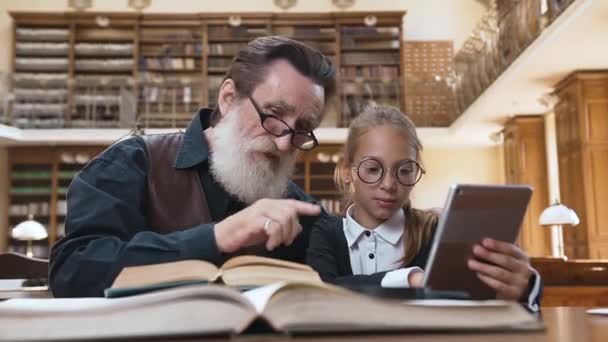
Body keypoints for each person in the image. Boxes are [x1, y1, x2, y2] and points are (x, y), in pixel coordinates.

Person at [49, 36, 337, 297]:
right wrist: (216, 237)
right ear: (228, 98)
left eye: (302, 128)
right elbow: (73, 271)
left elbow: (337, 288)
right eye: (274, 114)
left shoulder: (298, 207)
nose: (285, 144)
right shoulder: (132, 163)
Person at [306, 105, 542, 311]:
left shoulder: (436, 232)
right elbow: (322, 291)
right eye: (372, 169)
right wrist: (411, 279)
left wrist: (525, 286)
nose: (389, 184)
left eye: (405, 170)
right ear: (348, 171)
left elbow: (471, 299)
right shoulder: (325, 231)